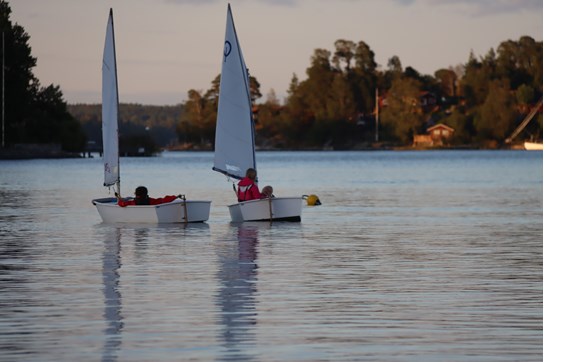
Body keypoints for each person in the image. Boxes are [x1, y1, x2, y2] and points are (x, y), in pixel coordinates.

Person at [116, 186, 181, 207]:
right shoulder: (152, 201)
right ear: (146, 193)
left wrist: (119, 200)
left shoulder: (132, 203)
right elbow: (164, 200)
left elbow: (121, 204)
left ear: (136, 194)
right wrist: (175, 197)